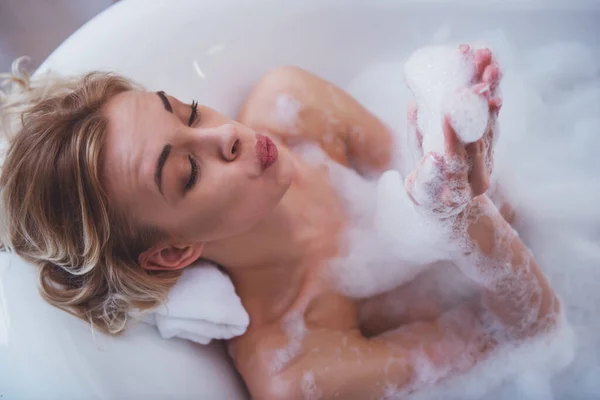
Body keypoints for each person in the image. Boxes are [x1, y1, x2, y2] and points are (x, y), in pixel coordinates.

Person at [0, 45, 560, 399]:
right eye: (188, 172)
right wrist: (462, 218)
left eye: (189, 111)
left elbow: (438, 172)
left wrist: (466, 160)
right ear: (174, 252)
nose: (227, 136)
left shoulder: (294, 104)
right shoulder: (296, 360)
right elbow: (527, 337)